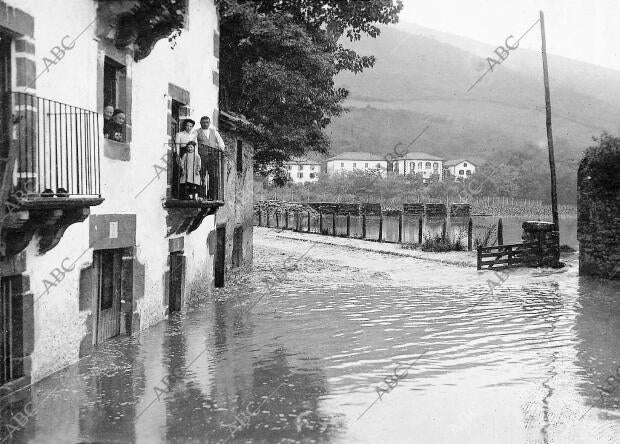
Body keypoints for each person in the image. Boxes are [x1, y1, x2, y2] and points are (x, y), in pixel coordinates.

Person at [194, 116, 225, 199]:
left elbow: (220, 142)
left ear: (209, 123)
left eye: (207, 122)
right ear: (200, 123)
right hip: (202, 157)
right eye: (203, 122)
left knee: (214, 176)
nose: (205, 124)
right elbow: (193, 143)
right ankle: (201, 195)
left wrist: (221, 148)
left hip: (213, 157)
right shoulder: (196, 132)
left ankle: (212, 195)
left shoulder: (213, 131)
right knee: (201, 176)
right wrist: (196, 153)